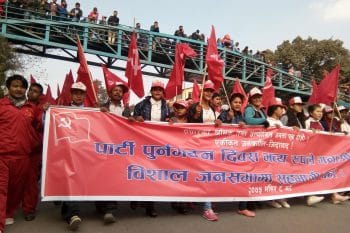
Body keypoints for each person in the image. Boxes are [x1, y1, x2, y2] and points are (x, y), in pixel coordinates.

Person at [0, 75, 40, 233]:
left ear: (25, 89)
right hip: (2, 155)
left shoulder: (31, 108)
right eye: (15, 86)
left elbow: (40, 126)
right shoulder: (2, 105)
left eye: (22, 86)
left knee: (16, 189)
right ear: (8, 88)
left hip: (23, 156)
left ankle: (9, 212)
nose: (18, 89)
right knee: (1, 188)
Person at [130, 79, 171, 217]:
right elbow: (132, 119)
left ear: (163, 92)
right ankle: (134, 197)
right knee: (140, 172)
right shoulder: (141, 104)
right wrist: (137, 118)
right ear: (151, 91)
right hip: (142, 142)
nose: (157, 92)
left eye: (160, 89)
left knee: (153, 175)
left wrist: (171, 121)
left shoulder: (166, 106)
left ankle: (150, 207)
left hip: (158, 145)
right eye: (155, 89)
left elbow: (170, 119)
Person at [188, 80, 220, 221]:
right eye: (206, 91)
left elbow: (214, 126)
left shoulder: (213, 109)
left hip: (210, 147)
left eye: (211, 91)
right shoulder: (196, 106)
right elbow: (187, 125)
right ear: (202, 92)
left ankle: (197, 201)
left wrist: (219, 123)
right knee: (204, 175)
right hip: (197, 146)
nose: (208, 93)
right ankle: (207, 208)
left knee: (206, 175)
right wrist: (195, 115)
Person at [305, 104, 349, 205]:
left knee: (329, 173)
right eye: (317, 111)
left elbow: (328, 136)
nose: (320, 114)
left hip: (322, 153)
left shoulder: (322, 124)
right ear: (311, 113)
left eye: (321, 112)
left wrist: (341, 134)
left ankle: (334, 195)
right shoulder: (306, 122)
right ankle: (310, 196)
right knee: (312, 175)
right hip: (310, 154)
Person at [21, 83, 45, 221]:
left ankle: (29, 209)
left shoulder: (41, 110)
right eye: (31, 90)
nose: (32, 93)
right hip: (14, 149)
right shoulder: (16, 106)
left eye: (36, 91)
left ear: (40, 95)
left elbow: (41, 126)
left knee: (31, 182)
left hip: (33, 151)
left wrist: (46, 113)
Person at [266, 98, 291, 209]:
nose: (282, 110)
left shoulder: (280, 122)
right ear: (274, 109)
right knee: (272, 177)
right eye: (280, 108)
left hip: (281, 154)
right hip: (270, 154)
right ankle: (271, 199)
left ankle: (281, 198)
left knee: (281, 176)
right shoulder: (268, 121)